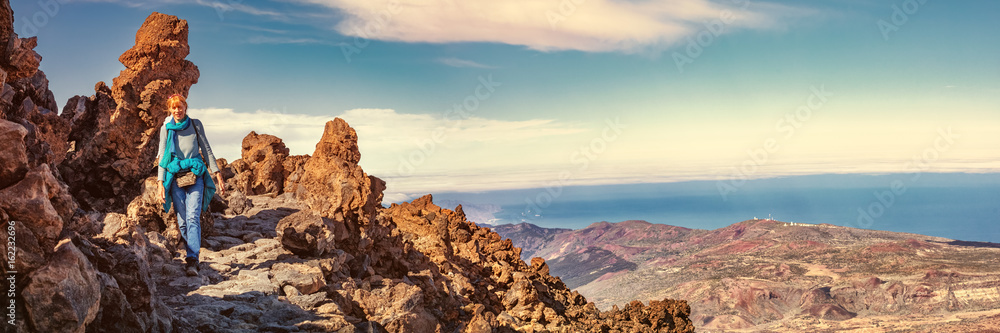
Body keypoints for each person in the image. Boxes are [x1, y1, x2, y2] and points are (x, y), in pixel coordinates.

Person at [155, 94, 226, 276]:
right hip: (175, 175)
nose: (177, 111)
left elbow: (206, 148)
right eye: (174, 108)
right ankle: (190, 252)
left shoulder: (196, 124)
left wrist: (217, 174)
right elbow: (163, 156)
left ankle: (192, 259)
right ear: (170, 109)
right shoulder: (166, 129)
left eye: (180, 107)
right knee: (183, 220)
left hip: (196, 174)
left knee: (193, 216)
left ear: (185, 107)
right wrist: (160, 183)